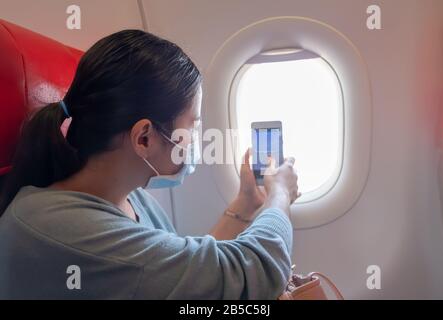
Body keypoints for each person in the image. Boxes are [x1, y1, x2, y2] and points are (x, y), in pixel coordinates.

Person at [0, 29, 299, 299]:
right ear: (144, 137)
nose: (195, 139)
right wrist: (280, 194)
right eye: (191, 127)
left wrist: (245, 203)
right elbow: (254, 272)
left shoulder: (132, 196)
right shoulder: (57, 228)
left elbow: (183, 275)